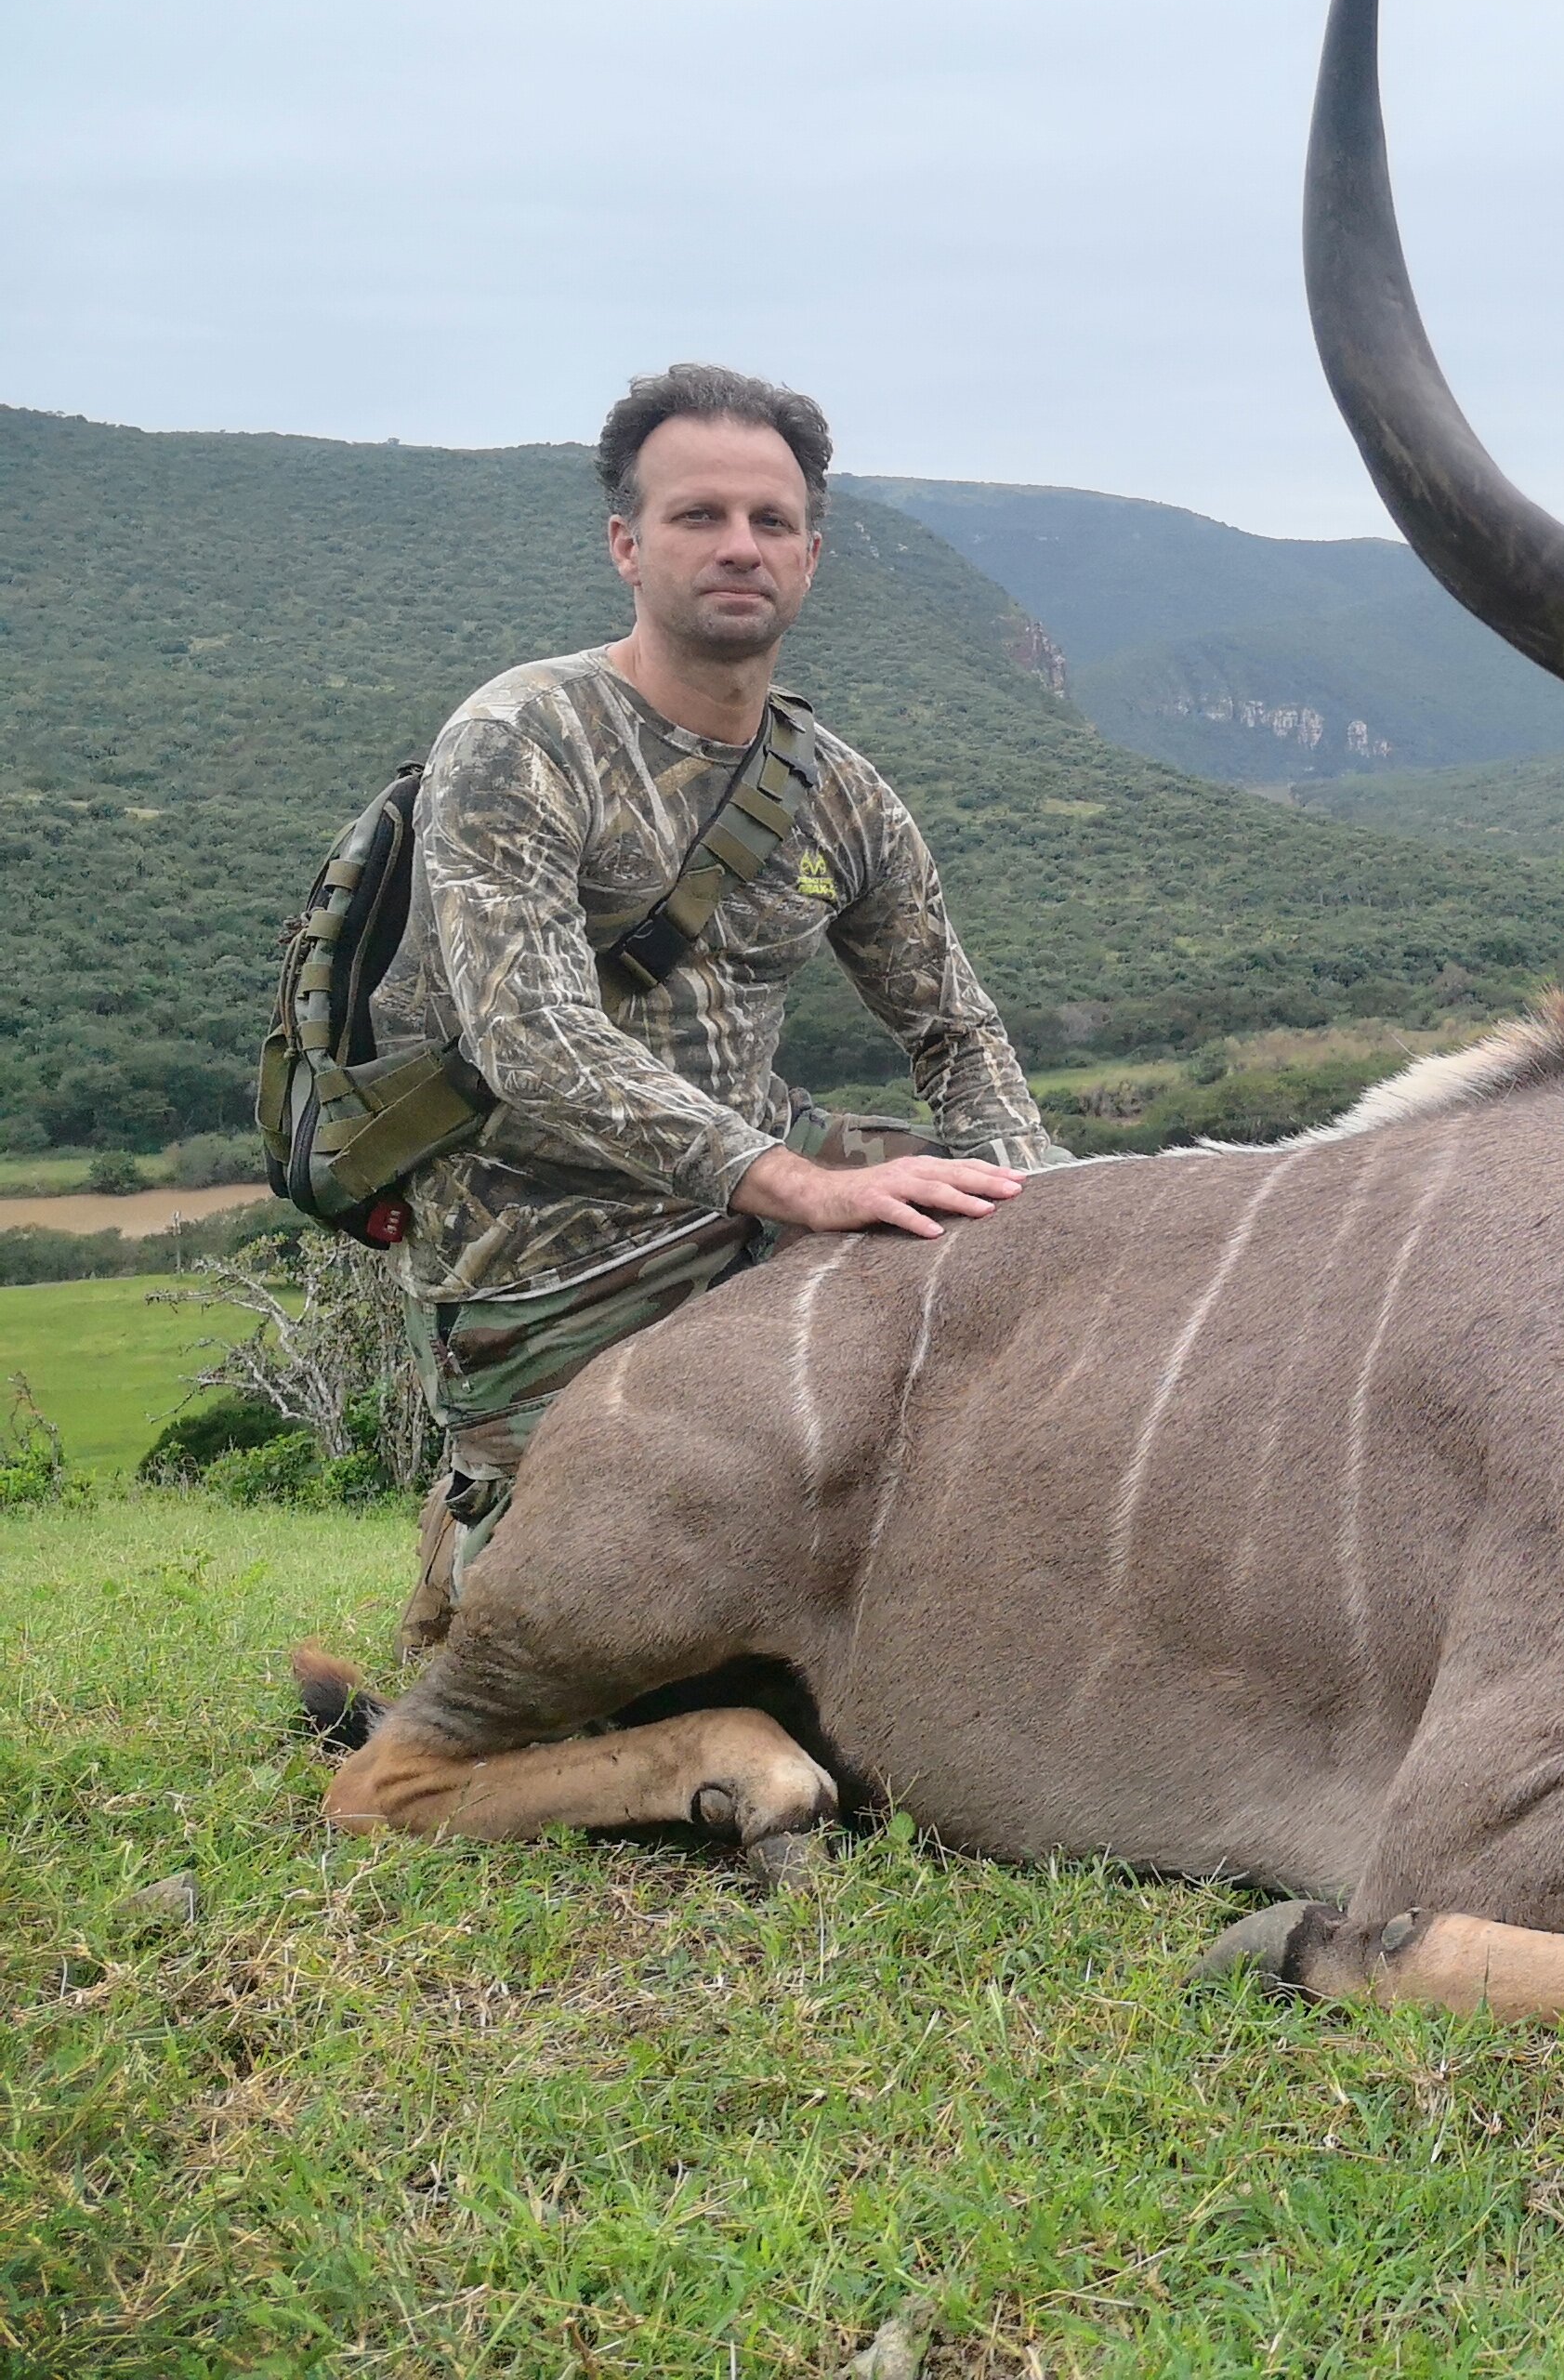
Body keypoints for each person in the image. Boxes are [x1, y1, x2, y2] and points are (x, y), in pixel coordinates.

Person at [377, 362, 1065, 1651]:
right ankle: (478, 1516)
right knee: (586, 1629)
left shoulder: (838, 792)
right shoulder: (521, 741)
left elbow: (954, 1032)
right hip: (550, 1237)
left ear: (812, 551)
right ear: (627, 545)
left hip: (765, 1174)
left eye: (770, 521)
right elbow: (532, 1041)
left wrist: (1063, 1219)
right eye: (699, 517)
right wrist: (795, 1191)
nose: (739, 547)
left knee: (1004, 1240)